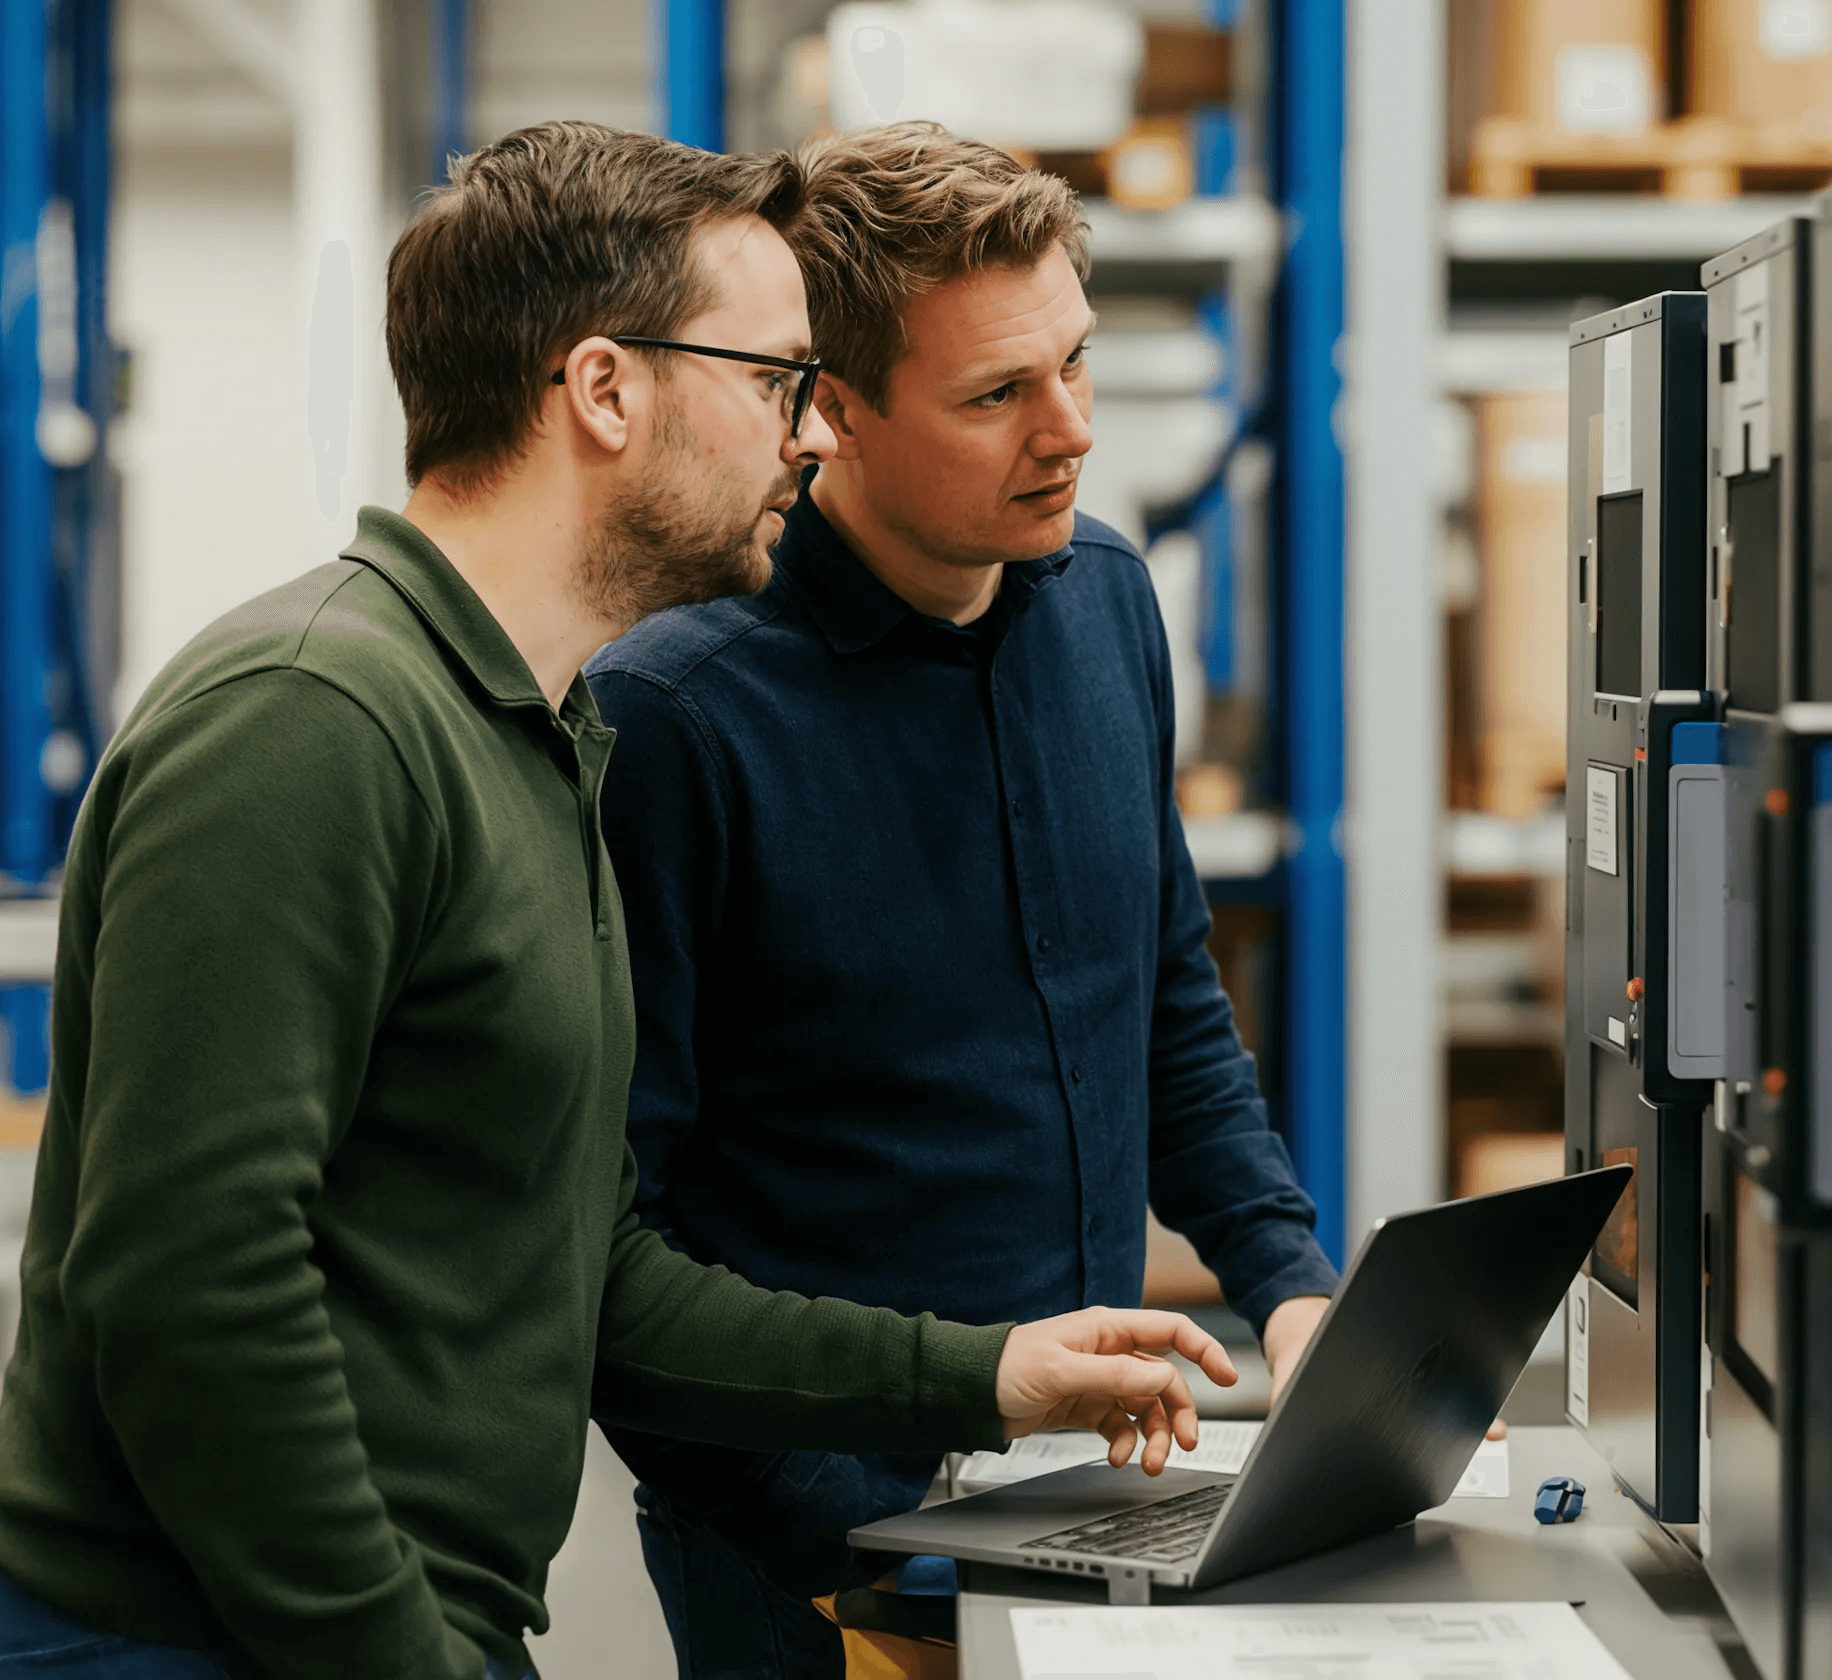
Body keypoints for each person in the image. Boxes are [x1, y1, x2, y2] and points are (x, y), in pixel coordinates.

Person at [0, 122, 1232, 1680]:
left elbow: (598, 1280)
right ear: (605, 389)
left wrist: (987, 1376)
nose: (808, 438)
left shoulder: (537, 738)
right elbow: (187, 1293)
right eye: (778, 380)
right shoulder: (313, 716)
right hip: (193, 1643)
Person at [585, 122, 1341, 1675]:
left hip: (1083, 1496)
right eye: (997, 394)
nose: (1067, 429)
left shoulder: (1110, 601)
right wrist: (837, 1563)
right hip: (810, 1564)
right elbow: (608, 1244)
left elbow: (1167, 1001)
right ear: (833, 412)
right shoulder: (672, 717)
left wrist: (1290, 1289)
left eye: (1074, 361)